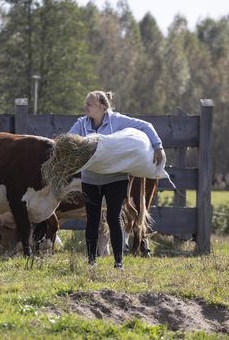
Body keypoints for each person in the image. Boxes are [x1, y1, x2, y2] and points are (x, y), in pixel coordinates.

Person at [68, 90, 164, 269]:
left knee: (113, 217)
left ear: (102, 107)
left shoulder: (118, 121)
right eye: (86, 104)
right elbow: (70, 140)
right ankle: (91, 261)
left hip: (115, 179)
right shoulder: (81, 124)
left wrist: (157, 147)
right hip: (90, 179)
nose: (85, 107)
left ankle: (118, 262)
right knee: (93, 219)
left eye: (90, 104)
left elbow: (146, 126)